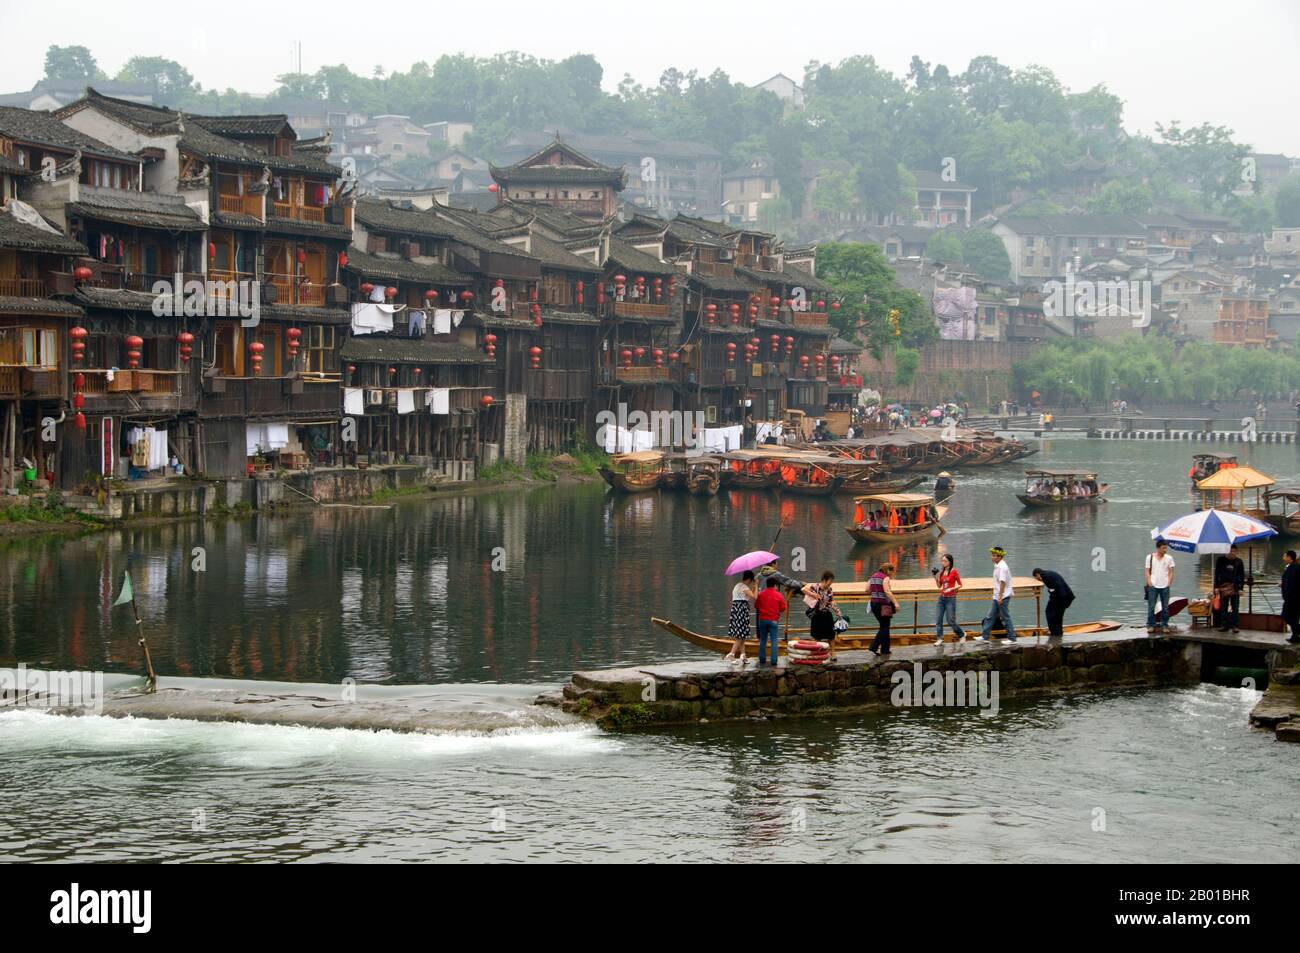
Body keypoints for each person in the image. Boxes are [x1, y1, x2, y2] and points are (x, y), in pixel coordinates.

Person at [978, 546, 1017, 643]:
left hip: (1002, 597)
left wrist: (1000, 596)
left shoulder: (1003, 567)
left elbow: (1002, 582)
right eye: (992, 555)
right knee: (990, 616)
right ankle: (985, 636)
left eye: (994, 556)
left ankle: (1012, 638)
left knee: (1005, 617)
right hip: (997, 596)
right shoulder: (998, 565)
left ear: (999, 557)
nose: (992, 557)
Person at [724, 570, 757, 665]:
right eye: (752, 580)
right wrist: (756, 586)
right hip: (741, 611)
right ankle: (731, 654)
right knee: (740, 635)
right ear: (749, 579)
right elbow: (755, 597)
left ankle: (743, 655)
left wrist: (753, 587)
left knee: (742, 634)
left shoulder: (737, 586)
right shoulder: (744, 587)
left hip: (736, 610)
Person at [1032, 568, 1074, 639]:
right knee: (1058, 616)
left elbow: (1055, 588)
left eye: (1037, 578)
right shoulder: (1049, 573)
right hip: (1065, 596)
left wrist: (1052, 594)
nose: (1039, 580)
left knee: (1049, 612)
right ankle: (1058, 633)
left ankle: (1054, 632)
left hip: (1059, 597)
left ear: (1037, 574)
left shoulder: (1044, 576)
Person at [805, 571, 840, 656]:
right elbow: (803, 589)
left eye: (831, 582)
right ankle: (817, 654)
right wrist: (813, 595)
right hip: (817, 614)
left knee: (831, 635)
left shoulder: (829, 590)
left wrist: (837, 611)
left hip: (827, 613)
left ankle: (833, 654)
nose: (830, 583)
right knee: (817, 636)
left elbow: (831, 601)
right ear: (824, 580)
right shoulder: (815, 587)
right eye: (830, 581)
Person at [1144, 540, 1176, 634]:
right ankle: (1151, 625)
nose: (1165, 550)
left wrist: (1169, 582)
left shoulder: (1169, 558)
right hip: (1153, 585)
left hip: (1165, 585)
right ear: (1158, 548)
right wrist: (1149, 581)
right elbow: (1147, 570)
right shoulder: (1149, 557)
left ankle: (1164, 625)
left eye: (1166, 548)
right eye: (1163, 548)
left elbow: (1171, 571)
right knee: (1151, 606)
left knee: (1165, 607)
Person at [1213, 544, 1247, 633]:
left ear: (1236, 552)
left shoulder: (1239, 561)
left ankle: (1235, 626)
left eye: (1233, 551)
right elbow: (1216, 574)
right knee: (1223, 607)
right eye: (1230, 551)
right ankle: (1224, 625)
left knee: (1235, 607)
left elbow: (1242, 576)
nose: (1231, 553)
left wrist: (1241, 588)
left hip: (1235, 587)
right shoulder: (1220, 560)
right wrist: (1216, 587)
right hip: (1223, 587)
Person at [933, 554, 965, 645]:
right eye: (942, 561)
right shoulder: (942, 573)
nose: (943, 563)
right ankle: (940, 638)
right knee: (938, 620)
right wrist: (935, 576)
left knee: (951, 621)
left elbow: (960, 585)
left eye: (945, 561)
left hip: (950, 599)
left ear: (950, 562)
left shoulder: (954, 571)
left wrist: (951, 589)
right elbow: (939, 586)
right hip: (942, 598)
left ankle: (962, 634)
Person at [755, 577, 788, 666]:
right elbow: (783, 608)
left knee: (763, 640)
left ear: (766, 584)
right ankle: (774, 661)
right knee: (774, 641)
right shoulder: (779, 595)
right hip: (773, 620)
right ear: (775, 585)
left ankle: (762, 660)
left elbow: (756, 606)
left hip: (762, 620)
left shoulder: (761, 594)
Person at [869, 563, 901, 655]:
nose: (892, 574)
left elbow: (867, 589)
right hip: (883, 605)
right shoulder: (885, 578)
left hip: (873, 604)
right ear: (888, 570)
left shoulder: (873, 577)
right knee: (885, 627)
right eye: (892, 571)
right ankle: (873, 646)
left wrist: (876, 591)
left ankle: (885, 649)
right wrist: (895, 603)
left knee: (884, 626)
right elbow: (887, 591)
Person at [1281, 551, 1300, 644]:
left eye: (1285, 556)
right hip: (1295, 597)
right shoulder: (1294, 566)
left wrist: (1287, 596)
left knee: (1285, 615)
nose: (1283, 557)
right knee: (1294, 617)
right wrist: (1283, 583)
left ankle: (1298, 630)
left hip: (1292, 598)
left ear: (1289, 557)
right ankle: (1295, 637)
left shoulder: (1293, 568)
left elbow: (1291, 584)